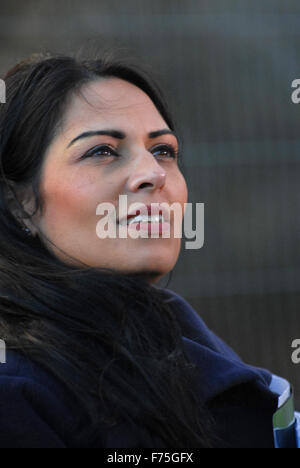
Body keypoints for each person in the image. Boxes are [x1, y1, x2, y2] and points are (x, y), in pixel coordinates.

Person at [0, 50, 295, 448]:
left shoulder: (195, 355)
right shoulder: (16, 392)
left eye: (163, 151)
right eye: (102, 150)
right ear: (20, 203)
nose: (153, 174)